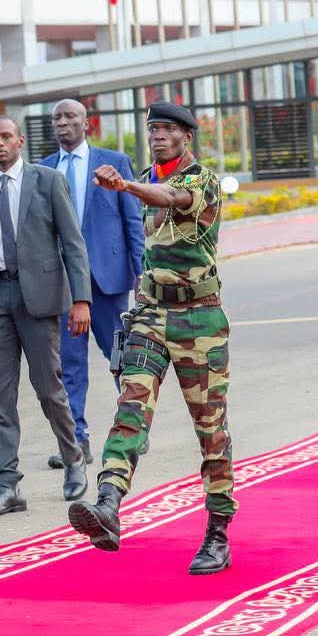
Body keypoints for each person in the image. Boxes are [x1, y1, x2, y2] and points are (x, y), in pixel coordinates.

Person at [67, 101, 235, 577]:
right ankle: (107, 504)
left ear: (186, 136)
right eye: (152, 128)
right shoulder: (145, 177)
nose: (158, 135)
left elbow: (169, 197)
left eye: (167, 129)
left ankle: (218, 530)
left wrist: (125, 186)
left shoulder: (201, 181)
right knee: (130, 409)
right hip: (151, 314)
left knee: (211, 430)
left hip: (199, 321)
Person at [0, 116, 92, 517]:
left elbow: (72, 242)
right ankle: (9, 485)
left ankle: (73, 458)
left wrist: (81, 300)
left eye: (6, 137)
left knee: (49, 389)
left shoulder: (48, 181)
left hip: (39, 298)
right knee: (0, 397)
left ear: (20, 141)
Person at [39, 99, 145, 470]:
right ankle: (76, 440)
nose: (62, 122)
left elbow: (132, 220)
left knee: (119, 355)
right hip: (63, 287)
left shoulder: (114, 162)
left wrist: (140, 273)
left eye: (70, 116)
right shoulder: (43, 170)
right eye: (57, 117)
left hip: (107, 280)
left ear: (87, 123)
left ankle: (133, 427)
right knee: (68, 365)